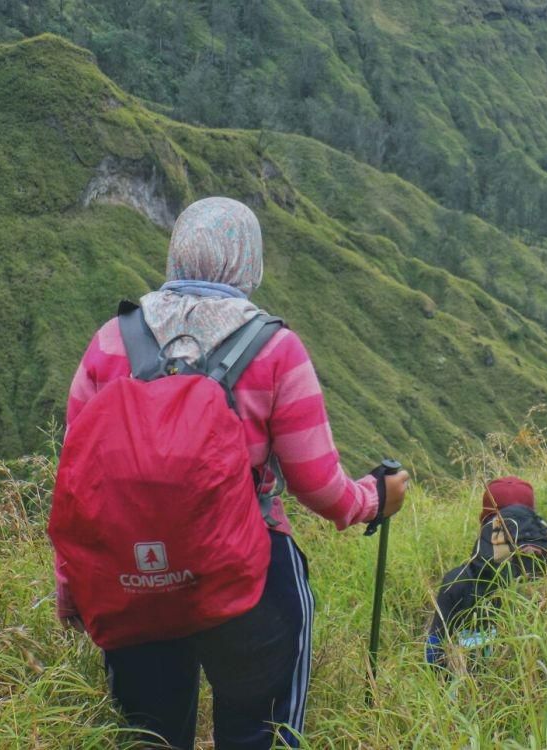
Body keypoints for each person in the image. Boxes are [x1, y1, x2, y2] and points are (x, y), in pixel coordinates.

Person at [53, 197, 409, 749]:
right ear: (249, 262)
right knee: (261, 733)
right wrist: (373, 499)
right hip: (250, 578)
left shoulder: (110, 341)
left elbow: (77, 485)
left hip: (131, 578)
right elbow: (319, 486)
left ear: (177, 255)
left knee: (148, 737)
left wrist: (72, 582)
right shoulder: (274, 348)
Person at [425, 476, 547, 671]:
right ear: (532, 515)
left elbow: (434, 654)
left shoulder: (458, 581)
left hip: (473, 695)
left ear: (486, 522)